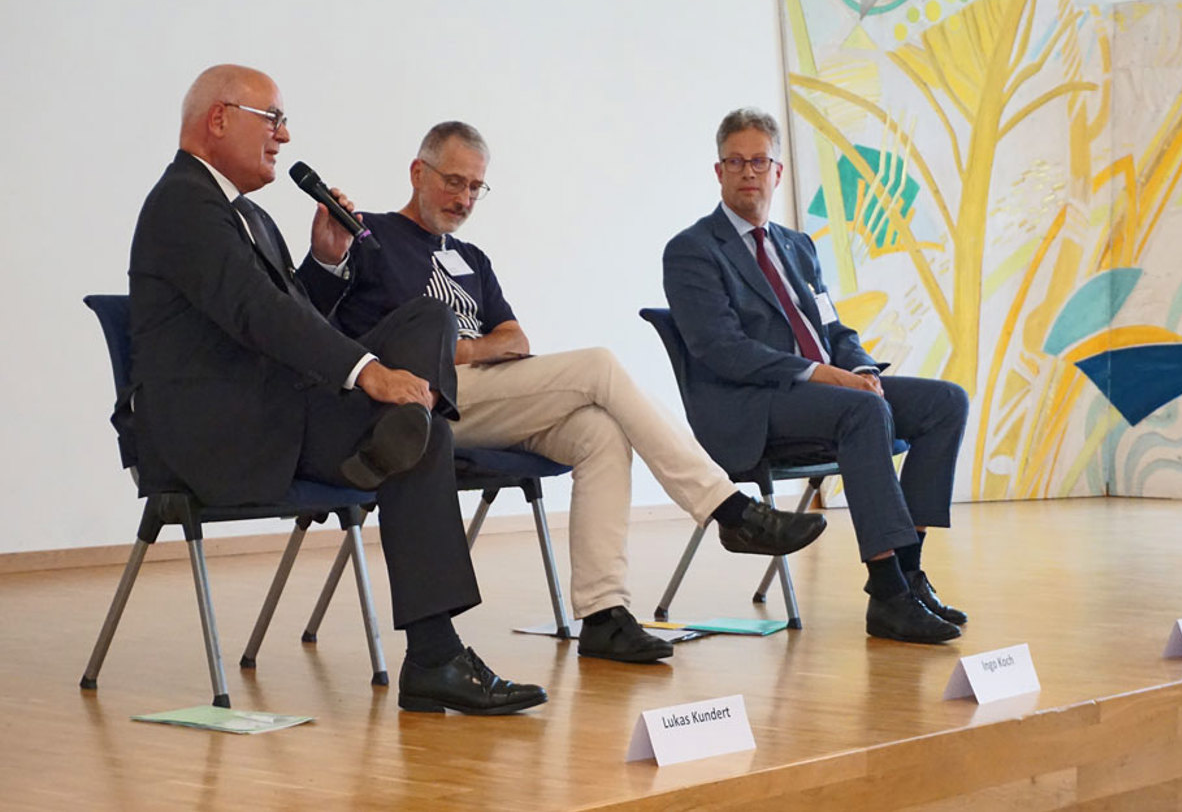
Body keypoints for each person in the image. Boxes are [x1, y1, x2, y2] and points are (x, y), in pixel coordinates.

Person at [297, 121, 827, 664]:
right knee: (597, 366)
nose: (463, 199)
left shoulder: (471, 258)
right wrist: (331, 262)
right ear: (418, 172)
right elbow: (312, 321)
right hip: (410, 409)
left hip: (480, 397)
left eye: (475, 188)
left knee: (598, 431)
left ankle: (604, 616)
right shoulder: (368, 236)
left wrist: (466, 350)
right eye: (453, 182)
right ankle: (728, 508)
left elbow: (516, 339)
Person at [127, 64, 545, 714]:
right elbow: (258, 316)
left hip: (281, 410)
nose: (285, 136)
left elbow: (293, 314)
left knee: (429, 323)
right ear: (218, 119)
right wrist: (365, 372)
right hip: (227, 435)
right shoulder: (183, 203)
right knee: (422, 437)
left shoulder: (249, 216)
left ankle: (399, 453)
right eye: (273, 119)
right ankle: (435, 656)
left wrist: (324, 264)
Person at [661, 108, 970, 645]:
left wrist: (859, 368)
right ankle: (887, 594)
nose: (748, 172)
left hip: (820, 393)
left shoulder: (796, 246)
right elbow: (722, 350)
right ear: (718, 172)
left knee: (945, 401)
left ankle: (909, 572)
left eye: (759, 161)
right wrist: (823, 375)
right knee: (863, 409)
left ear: (778, 171)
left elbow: (832, 326)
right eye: (736, 161)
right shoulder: (692, 250)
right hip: (750, 403)